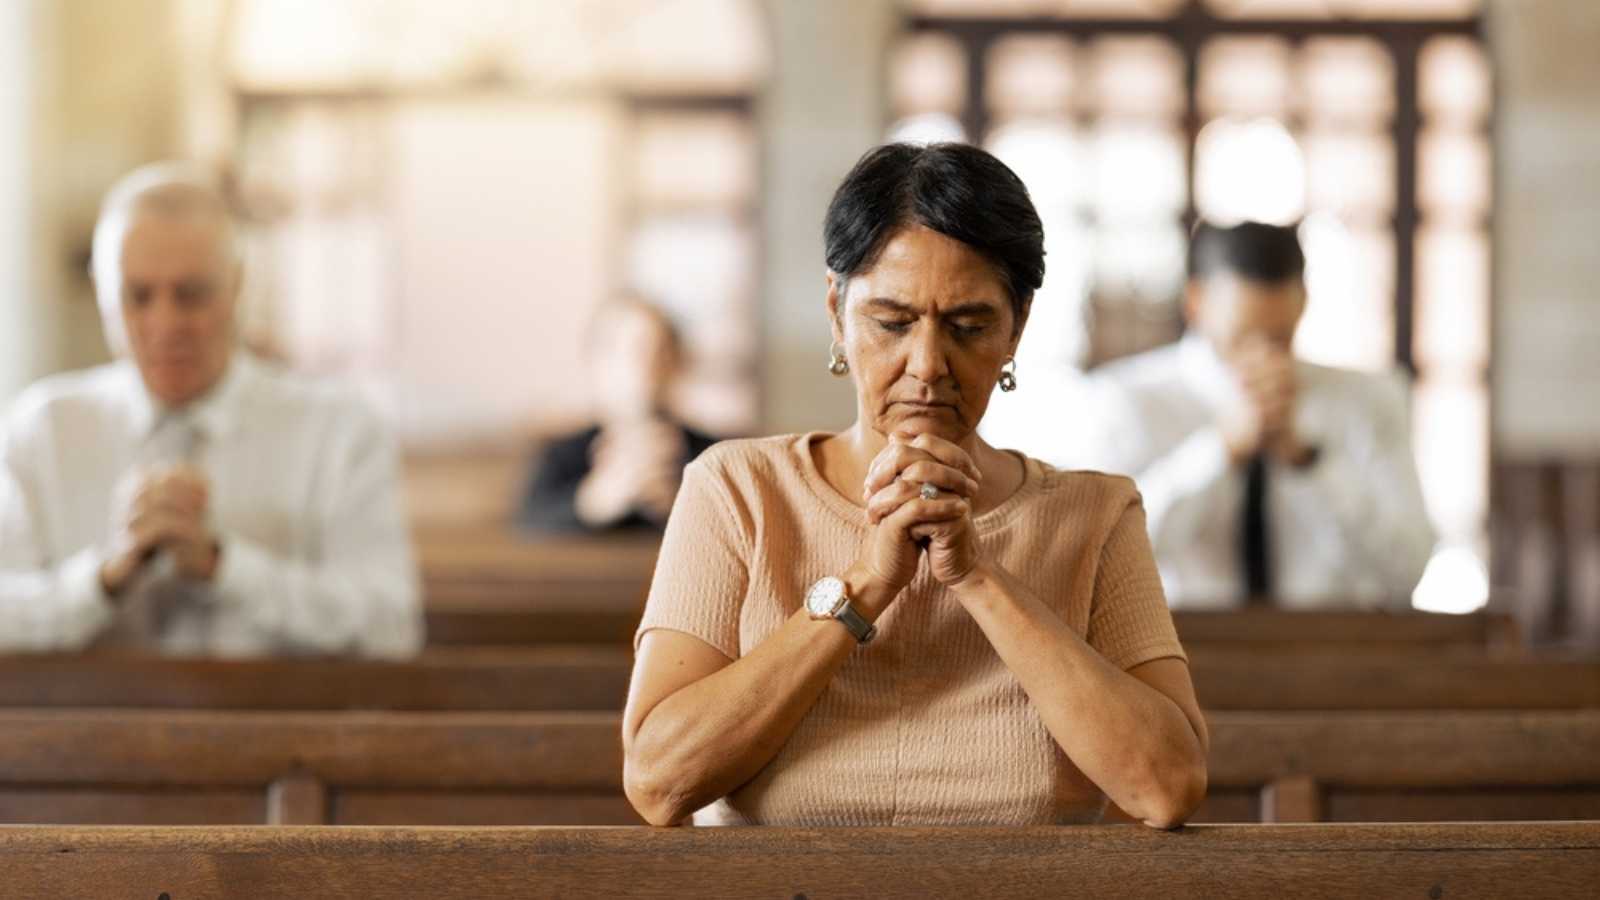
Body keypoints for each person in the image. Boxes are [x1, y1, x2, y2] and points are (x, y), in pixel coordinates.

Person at [622, 143, 1207, 829]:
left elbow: (1166, 787)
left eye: (968, 327)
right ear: (837, 310)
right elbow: (660, 783)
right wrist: (867, 582)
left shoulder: (1097, 514)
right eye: (893, 323)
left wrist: (978, 575)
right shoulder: (738, 490)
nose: (927, 365)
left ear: (1017, 326)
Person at [0, 163, 423, 657]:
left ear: (237, 284)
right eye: (137, 296)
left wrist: (224, 565)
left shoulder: (342, 429)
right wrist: (106, 577)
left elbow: (391, 628)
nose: (165, 323)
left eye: (191, 294)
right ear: (102, 293)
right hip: (73, 734)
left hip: (286, 733)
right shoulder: (42, 430)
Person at [1080, 221, 1435, 609]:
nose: (1262, 352)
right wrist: (1221, 451)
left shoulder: (1369, 400)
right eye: (1242, 334)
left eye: (1279, 335)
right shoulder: (1126, 399)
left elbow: (1407, 570)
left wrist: (1309, 462)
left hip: (1335, 652)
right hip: (1172, 654)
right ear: (1196, 302)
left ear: (1303, 302)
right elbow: (1101, 555)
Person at [518, 297, 716, 532]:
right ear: (596, 363)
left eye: (659, 352)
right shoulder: (561, 455)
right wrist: (594, 501)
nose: (645, 367)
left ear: (676, 363)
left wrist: (679, 506)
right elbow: (526, 523)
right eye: (630, 351)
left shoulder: (714, 456)